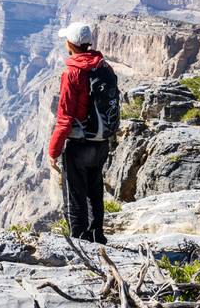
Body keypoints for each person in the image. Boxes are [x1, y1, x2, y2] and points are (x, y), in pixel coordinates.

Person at [48, 22, 119, 245]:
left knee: (75, 194)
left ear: (70, 43)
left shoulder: (73, 72)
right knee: (95, 190)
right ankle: (97, 237)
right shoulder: (104, 67)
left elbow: (65, 117)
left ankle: (79, 241)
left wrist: (53, 151)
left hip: (79, 145)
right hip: (101, 142)